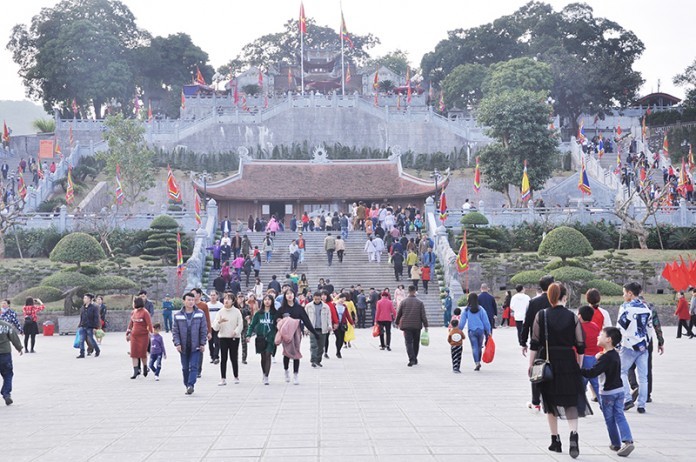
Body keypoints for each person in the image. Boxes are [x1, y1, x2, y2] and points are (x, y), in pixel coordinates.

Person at [528, 282, 590, 459]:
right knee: (571, 401)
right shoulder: (573, 317)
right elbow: (580, 345)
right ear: (565, 297)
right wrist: (578, 364)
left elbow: (534, 342)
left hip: (548, 362)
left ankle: (555, 440)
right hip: (568, 362)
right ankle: (573, 434)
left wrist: (531, 364)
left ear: (549, 297)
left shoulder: (542, 315)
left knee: (549, 401)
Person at [581, 327, 635, 457]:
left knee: (609, 419)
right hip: (619, 391)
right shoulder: (615, 354)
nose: (598, 337)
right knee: (620, 415)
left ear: (608, 340)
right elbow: (606, 361)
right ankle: (627, 440)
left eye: (601, 335)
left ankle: (616, 443)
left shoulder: (605, 358)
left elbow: (592, 372)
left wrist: (577, 370)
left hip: (608, 393)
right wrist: (599, 357)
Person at [617, 282, 660, 414]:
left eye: (624, 293)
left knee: (622, 372)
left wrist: (618, 345)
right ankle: (642, 405)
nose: (624, 295)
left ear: (630, 293)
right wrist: (645, 344)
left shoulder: (625, 308)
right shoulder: (646, 309)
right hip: (643, 347)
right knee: (643, 377)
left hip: (628, 346)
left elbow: (620, 328)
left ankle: (627, 399)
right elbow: (649, 329)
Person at [521, 275, 554, 412]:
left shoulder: (534, 302)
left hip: (538, 342)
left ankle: (536, 401)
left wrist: (523, 342)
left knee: (536, 370)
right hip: (555, 342)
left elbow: (527, 323)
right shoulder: (556, 301)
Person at [276, 289, 320, 385]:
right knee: (287, 352)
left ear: (294, 295)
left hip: (296, 333)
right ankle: (286, 371)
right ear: (285, 296)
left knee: (296, 352)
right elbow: (277, 320)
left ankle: (296, 375)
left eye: (291, 293)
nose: (289, 295)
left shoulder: (299, 308)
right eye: (287, 294)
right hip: (286, 333)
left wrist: (314, 333)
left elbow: (306, 321)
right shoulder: (282, 309)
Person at [172, 292, 208, 395]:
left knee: (194, 366)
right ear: (184, 301)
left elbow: (203, 329)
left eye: (192, 300)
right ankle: (186, 384)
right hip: (183, 346)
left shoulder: (200, 313)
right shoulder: (178, 315)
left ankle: (191, 385)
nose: (191, 302)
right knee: (184, 367)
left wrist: (202, 343)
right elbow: (175, 331)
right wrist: (177, 343)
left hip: (195, 345)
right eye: (189, 300)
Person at [212, 292, 243, 385]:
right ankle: (223, 378)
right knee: (223, 358)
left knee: (234, 357)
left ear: (233, 301)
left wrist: (236, 332)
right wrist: (219, 322)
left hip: (234, 337)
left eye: (229, 299)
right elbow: (215, 327)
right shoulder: (220, 312)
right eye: (225, 298)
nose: (226, 300)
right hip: (223, 337)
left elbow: (240, 324)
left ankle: (236, 376)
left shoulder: (237, 311)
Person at [247, 294, 277, 385]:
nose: (267, 301)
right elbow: (252, 325)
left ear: (272, 301)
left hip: (271, 338)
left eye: (269, 299)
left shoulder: (275, 313)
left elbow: (279, 325)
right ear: (263, 302)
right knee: (263, 356)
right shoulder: (258, 314)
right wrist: (248, 335)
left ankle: (267, 376)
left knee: (268, 355)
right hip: (261, 338)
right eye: (265, 299)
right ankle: (264, 373)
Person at [395, 285, 428, 367]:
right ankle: (415, 358)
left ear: (408, 291)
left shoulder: (403, 302)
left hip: (406, 326)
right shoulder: (420, 303)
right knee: (416, 342)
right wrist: (426, 325)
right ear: (415, 291)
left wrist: (396, 322)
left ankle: (411, 359)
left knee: (408, 343)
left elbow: (399, 314)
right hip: (417, 326)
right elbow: (423, 315)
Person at [458, 293, 492, 371]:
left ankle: (477, 362)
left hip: (471, 331)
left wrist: (459, 330)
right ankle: (479, 360)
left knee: (474, 347)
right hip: (480, 330)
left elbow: (462, 322)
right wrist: (488, 331)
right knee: (479, 347)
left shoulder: (466, 310)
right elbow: (486, 321)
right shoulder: (481, 309)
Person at [578, 305, 601, 401]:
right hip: (595, 357)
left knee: (581, 383)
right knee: (596, 383)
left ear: (580, 316)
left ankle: (580, 405)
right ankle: (603, 404)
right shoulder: (595, 326)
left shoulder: (579, 328)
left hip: (584, 358)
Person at [127, 297, 153, 379]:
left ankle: (145, 367)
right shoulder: (133, 312)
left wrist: (151, 334)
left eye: (133, 302)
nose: (132, 304)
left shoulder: (145, 312)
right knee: (133, 353)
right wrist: (128, 333)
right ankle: (135, 371)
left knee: (142, 353)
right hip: (134, 336)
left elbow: (149, 324)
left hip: (143, 336)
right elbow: (131, 324)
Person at [305, 291, 332, 367]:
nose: (317, 300)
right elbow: (305, 318)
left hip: (322, 328)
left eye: (318, 299)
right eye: (315, 299)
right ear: (313, 298)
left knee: (321, 346)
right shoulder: (308, 306)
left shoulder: (326, 306)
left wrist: (329, 325)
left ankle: (318, 360)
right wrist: (305, 328)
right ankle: (313, 360)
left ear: (320, 298)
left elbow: (328, 317)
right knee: (313, 345)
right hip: (312, 328)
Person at [0, 318, 23, 405]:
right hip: (5, 354)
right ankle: (6, 394)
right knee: (8, 374)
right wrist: (19, 348)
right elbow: (14, 338)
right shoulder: (6, 325)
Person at [76, 294, 100, 359]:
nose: (84, 300)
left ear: (89, 299)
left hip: (90, 326)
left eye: (86, 298)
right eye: (84, 298)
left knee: (91, 339)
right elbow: (81, 317)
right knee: (81, 340)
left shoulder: (94, 308)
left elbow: (96, 318)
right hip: (83, 326)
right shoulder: (83, 307)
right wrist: (80, 325)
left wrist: (95, 327)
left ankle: (97, 350)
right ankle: (82, 353)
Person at [334, 293, 354, 358]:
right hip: (336, 324)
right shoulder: (334, 305)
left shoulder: (344, 306)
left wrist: (352, 323)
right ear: (339, 298)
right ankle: (338, 351)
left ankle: (339, 350)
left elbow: (347, 315)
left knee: (342, 338)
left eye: (344, 299)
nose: (342, 300)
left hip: (343, 324)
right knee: (338, 337)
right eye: (342, 299)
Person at [207, 291, 224, 365]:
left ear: (217, 296)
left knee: (217, 342)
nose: (212, 297)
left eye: (214, 295)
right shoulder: (207, 305)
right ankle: (212, 356)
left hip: (217, 326)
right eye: (211, 295)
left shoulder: (220, 305)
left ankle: (216, 356)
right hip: (209, 327)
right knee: (210, 342)